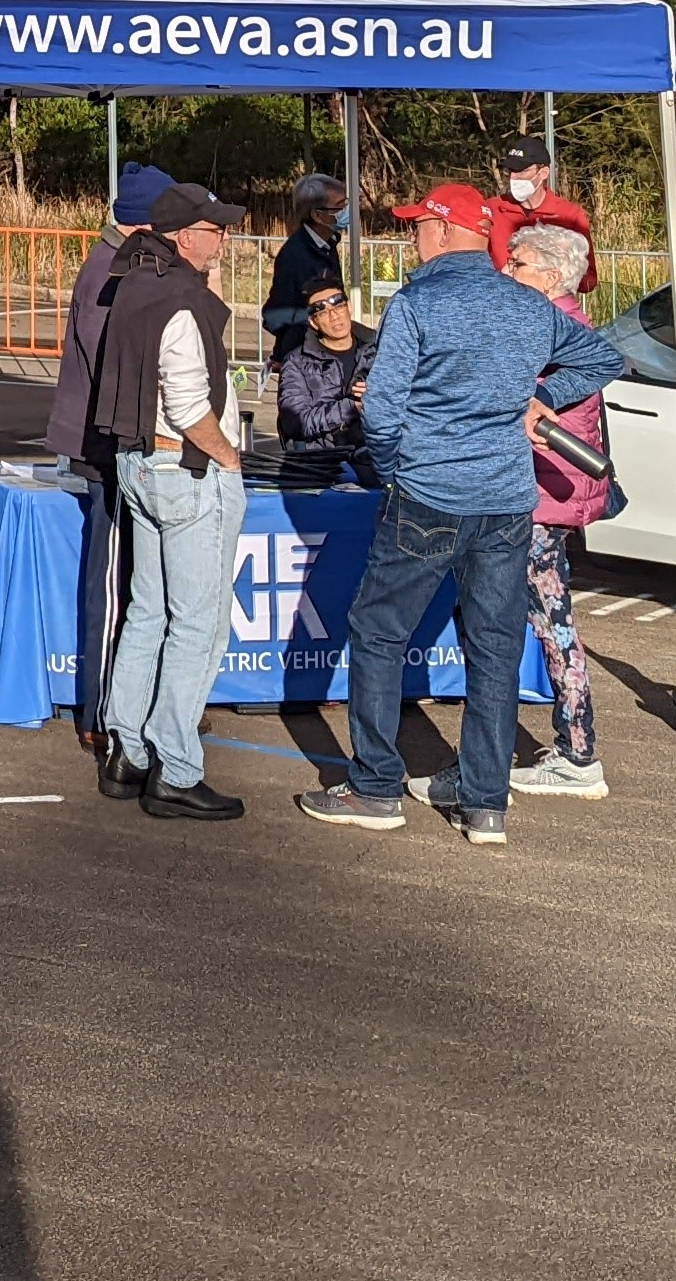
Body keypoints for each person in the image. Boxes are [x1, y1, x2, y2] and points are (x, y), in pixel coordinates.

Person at [297, 181, 624, 847]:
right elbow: (603, 355)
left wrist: (394, 468)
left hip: (431, 493)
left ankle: (376, 786)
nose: (412, 234)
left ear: (446, 230)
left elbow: (383, 411)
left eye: (419, 224)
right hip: (505, 499)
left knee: (379, 630)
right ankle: (483, 801)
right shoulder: (524, 302)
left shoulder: (418, 302)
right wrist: (544, 398)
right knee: (496, 645)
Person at [87, 181, 251, 822]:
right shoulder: (181, 299)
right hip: (183, 468)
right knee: (198, 626)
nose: (226, 240)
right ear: (186, 237)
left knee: (149, 612)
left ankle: (127, 749)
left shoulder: (133, 282)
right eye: (215, 230)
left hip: (139, 462)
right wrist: (227, 455)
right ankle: (176, 768)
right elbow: (188, 405)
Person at [46, 161, 175, 750]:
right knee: (112, 580)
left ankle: (128, 701)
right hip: (107, 445)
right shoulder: (109, 275)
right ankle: (99, 711)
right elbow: (112, 367)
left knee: (132, 578)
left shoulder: (118, 266)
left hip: (113, 439)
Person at [502, 222, 611, 796]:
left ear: (547, 276)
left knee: (553, 621)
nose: (506, 272)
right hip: (550, 491)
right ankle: (573, 746)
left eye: (516, 265)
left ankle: (577, 751)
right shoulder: (561, 321)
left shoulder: (556, 327)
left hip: (544, 495)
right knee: (550, 618)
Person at [273, 280, 375, 480]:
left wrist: (381, 398)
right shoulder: (297, 362)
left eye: (338, 305)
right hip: (326, 465)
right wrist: (351, 407)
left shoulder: (380, 349)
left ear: (349, 308)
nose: (334, 315)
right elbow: (294, 423)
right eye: (322, 311)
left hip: (379, 458)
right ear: (313, 321)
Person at [259, 173, 350, 363]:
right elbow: (276, 314)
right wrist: (316, 318)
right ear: (317, 215)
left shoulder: (326, 245)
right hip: (303, 358)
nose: (346, 211)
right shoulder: (295, 255)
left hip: (324, 352)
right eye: (340, 207)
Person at [498, 136, 596, 294]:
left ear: (543, 173)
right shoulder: (492, 210)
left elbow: (589, 279)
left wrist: (548, 281)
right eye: (510, 171)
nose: (513, 178)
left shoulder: (570, 215)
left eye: (522, 171)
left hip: (551, 308)